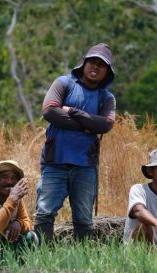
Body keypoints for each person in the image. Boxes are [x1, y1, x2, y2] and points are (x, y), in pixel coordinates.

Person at [34, 43, 117, 242]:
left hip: (86, 166)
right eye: (92, 62)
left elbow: (105, 125)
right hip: (55, 162)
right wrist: (88, 125)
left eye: (101, 65)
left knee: (83, 219)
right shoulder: (64, 83)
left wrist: (73, 111)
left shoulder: (106, 97)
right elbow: (50, 111)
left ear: (107, 72)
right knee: (45, 213)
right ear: (84, 63)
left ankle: (82, 261)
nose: (95, 67)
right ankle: (40, 257)